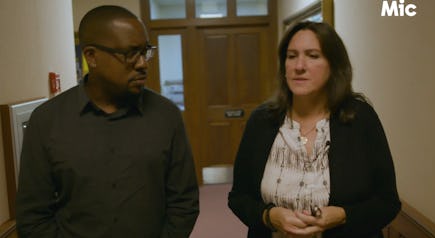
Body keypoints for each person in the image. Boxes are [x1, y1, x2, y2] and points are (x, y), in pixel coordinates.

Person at [16, 5, 199, 238]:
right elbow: (33, 217)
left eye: (145, 51)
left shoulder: (166, 115)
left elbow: (184, 203)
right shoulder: (46, 121)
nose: (143, 63)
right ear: (91, 56)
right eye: (130, 53)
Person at [228, 21, 401, 238]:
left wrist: (342, 215)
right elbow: (238, 197)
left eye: (313, 55)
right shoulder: (262, 121)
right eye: (291, 56)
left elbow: (387, 202)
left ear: (334, 66)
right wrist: (268, 216)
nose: (299, 65)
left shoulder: (360, 119)